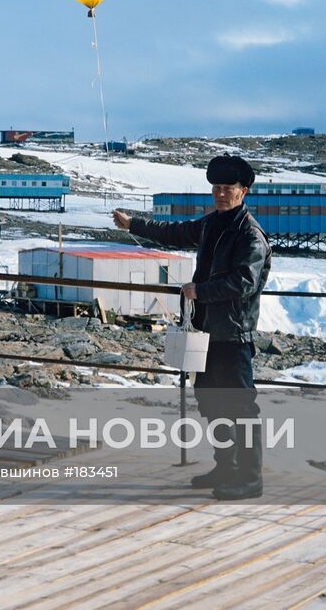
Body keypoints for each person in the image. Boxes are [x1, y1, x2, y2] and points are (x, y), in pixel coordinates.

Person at [113, 154, 270, 500]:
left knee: (241, 407)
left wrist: (199, 290)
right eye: (216, 188)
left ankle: (250, 478)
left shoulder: (250, 234)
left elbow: (243, 282)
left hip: (233, 334)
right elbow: (175, 232)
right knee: (211, 402)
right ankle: (225, 466)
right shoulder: (213, 223)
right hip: (205, 332)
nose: (220, 193)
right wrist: (133, 225)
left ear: (243, 192)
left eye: (227, 188)